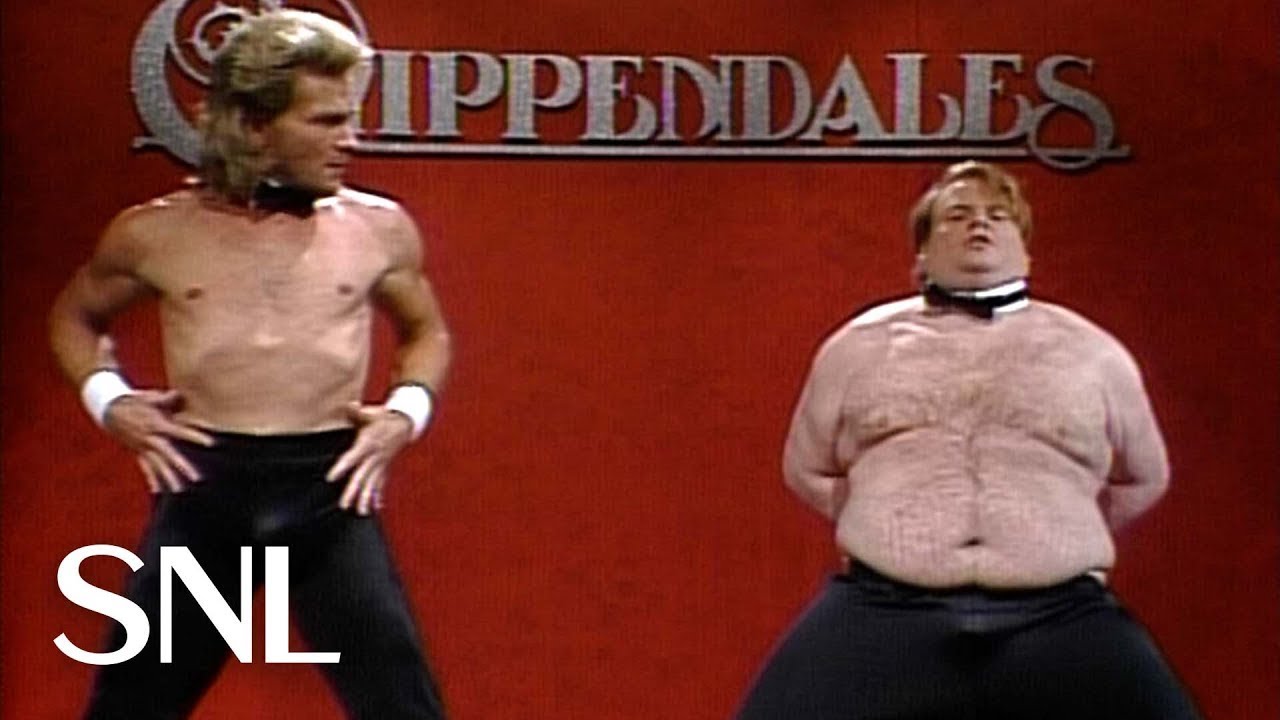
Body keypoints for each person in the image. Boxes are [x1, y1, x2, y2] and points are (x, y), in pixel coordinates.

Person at [48, 10, 450, 720]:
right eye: (326, 121)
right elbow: (75, 317)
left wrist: (404, 415)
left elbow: (427, 333)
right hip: (206, 487)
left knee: (403, 709)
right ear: (255, 126)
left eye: (349, 118)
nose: (351, 139)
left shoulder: (378, 228)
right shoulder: (154, 233)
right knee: (129, 709)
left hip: (331, 492)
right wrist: (112, 402)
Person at [736, 161, 1202, 719]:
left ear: (1025, 252)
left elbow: (1146, 475)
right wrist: (893, 520)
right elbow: (805, 467)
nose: (978, 225)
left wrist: (1057, 526)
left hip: (1060, 610)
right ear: (922, 252)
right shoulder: (855, 348)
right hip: (886, 603)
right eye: (957, 216)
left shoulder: (1094, 354)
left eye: (997, 216)